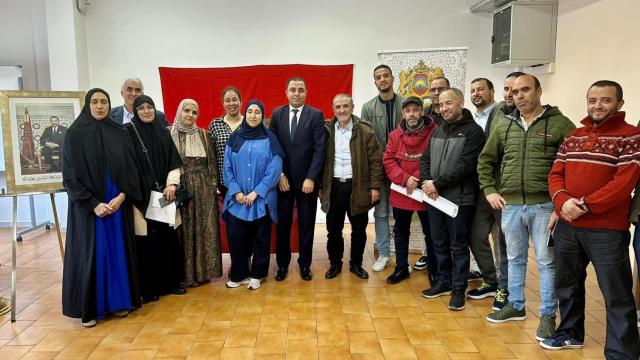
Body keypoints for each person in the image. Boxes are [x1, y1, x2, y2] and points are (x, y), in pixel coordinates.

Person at [543, 81, 640, 357]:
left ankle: (622, 353)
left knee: (617, 294)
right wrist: (562, 203)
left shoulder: (631, 137)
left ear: (619, 103)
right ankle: (570, 334)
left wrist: (583, 205)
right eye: (593, 100)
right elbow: (555, 174)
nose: (598, 106)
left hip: (606, 231)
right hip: (568, 227)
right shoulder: (574, 135)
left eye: (605, 100)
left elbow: (624, 183)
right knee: (568, 286)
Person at [478, 74, 575, 341]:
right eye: (515, 91)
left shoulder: (560, 124)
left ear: (539, 90)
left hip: (544, 205)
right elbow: (485, 161)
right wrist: (490, 190)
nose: (519, 96)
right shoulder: (503, 125)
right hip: (511, 206)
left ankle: (546, 316)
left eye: (525, 90)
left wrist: (561, 203)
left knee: (546, 263)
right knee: (515, 259)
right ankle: (516, 305)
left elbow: (574, 165)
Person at [62, 88, 142, 327]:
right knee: (95, 254)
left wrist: (122, 196)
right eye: (95, 102)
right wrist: (93, 204)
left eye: (104, 102)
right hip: (90, 208)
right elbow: (69, 177)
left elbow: (131, 169)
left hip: (116, 203)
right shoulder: (74, 134)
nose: (99, 106)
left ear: (109, 105)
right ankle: (92, 308)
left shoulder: (119, 132)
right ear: (88, 105)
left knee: (116, 253)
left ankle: (118, 302)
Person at [420, 88, 485, 311]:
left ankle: (458, 289)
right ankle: (443, 282)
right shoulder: (438, 131)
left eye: (449, 104)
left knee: (458, 246)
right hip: (435, 199)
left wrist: (436, 184)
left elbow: (466, 166)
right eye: (441, 105)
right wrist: (427, 182)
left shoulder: (474, 132)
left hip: (459, 200)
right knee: (439, 243)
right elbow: (426, 159)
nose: (444, 108)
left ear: (460, 103)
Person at [126, 95, 186, 303]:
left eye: (149, 107)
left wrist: (171, 184)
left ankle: (171, 283)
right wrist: (139, 189)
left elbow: (173, 162)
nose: (146, 111)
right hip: (140, 197)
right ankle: (149, 288)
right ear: (135, 111)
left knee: (166, 238)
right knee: (145, 242)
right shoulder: (128, 133)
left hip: (163, 196)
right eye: (141, 108)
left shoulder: (163, 132)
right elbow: (125, 165)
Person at [269, 77, 327, 281]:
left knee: (306, 225)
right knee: (283, 225)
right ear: (286, 91)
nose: (296, 93)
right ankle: (282, 265)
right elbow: (273, 147)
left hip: (307, 184)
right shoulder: (277, 114)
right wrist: (280, 175)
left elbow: (320, 149)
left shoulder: (316, 115)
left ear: (306, 92)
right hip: (283, 182)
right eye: (292, 89)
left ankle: (305, 264)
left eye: (300, 90)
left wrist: (311, 177)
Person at [320, 94, 383, 280]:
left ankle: (356, 264)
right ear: (333, 109)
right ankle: (335, 264)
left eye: (345, 106)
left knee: (359, 230)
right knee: (333, 230)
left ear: (352, 107)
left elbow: (376, 161)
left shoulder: (365, 131)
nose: (342, 110)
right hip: (334, 187)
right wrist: (320, 187)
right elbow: (317, 158)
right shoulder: (326, 130)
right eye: (338, 107)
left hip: (358, 187)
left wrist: (375, 187)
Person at [222, 100, 283, 290]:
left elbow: (274, 169)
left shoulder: (270, 139)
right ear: (245, 114)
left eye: (257, 112)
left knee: (261, 238)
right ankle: (240, 275)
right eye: (250, 111)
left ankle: (258, 274)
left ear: (262, 115)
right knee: (236, 238)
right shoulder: (235, 138)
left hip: (261, 199)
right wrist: (237, 192)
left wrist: (256, 193)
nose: (253, 115)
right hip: (237, 200)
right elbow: (227, 167)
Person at [383, 96, 437, 285]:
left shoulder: (434, 132)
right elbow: (388, 160)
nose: (412, 114)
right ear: (403, 113)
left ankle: (434, 269)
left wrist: (418, 179)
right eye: (408, 111)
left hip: (426, 192)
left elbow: (435, 159)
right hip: (402, 191)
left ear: (422, 111)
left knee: (431, 233)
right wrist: (406, 179)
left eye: (415, 110)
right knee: (400, 231)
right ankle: (401, 268)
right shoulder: (394, 135)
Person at [466, 77, 508, 308]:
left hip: (501, 187)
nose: (476, 93)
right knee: (476, 234)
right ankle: (490, 279)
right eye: (472, 90)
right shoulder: (472, 118)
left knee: (502, 239)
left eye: (481, 89)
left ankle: (505, 286)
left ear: (492, 91)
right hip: (480, 187)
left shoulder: (503, 113)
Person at [171, 99, 222, 287]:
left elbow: (212, 164)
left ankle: (203, 272)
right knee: (183, 230)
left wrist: (212, 186)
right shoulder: (169, 134)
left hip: (203, 189)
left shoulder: (204, 135)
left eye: (194, 112)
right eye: (187, 110)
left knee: (203, 228)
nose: (190, 115)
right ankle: (185, 274)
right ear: (179, 111)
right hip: (180, 188)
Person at [360, 65, 405, 273]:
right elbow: (367, 141)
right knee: (381, 213)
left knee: (402, 214)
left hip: (403, 169)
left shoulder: (405, 104)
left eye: (386, 76)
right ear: (375, 81)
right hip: (379, 169)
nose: (383, 80)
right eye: (378, 77)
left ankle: (402, 258)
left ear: (392, 78)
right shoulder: (368, 108)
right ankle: (385, 254)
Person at [208, 86, 243, 197]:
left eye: (234, 99)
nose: (231, 103)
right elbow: (211, 155)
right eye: (227, 100)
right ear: (223, 104)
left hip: (247, 179)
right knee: (229, 213)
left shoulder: (249, 123)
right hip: (224, 181)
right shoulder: (215, 124)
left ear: (241, 102)